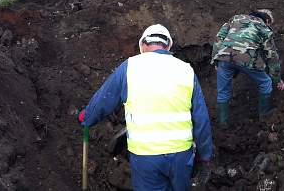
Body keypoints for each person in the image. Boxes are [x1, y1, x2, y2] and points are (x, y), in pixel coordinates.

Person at [78, 24, 213, 190]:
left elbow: (104, 99)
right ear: (168, 46)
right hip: (181, 156)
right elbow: (201, 118)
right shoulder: (186, 70)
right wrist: (204, 157)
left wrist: (87, 117)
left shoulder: (130, 67)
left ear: (143, 45)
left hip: (146, 157)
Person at [211, 10, 284, 126]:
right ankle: (264, 119)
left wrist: (215, 60)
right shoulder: (264, 28)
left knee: (223, 92)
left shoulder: (235, 18)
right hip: (247, 58)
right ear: (267, 20)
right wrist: (277, 79)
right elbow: (271, 56)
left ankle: (223, 125)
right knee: (266, 82)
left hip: (223, 57)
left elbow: (219, 38)